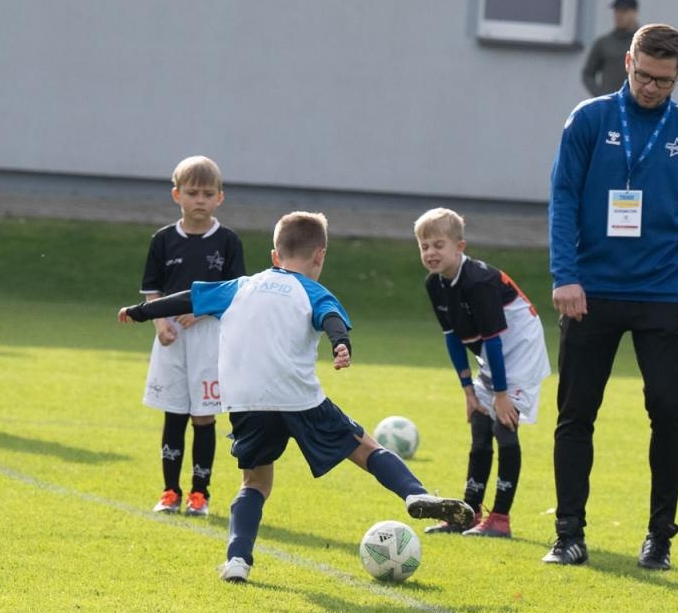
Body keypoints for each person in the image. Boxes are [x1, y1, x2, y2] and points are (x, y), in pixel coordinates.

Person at [117, 212, 473, 582]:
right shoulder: (313, 290)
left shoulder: (240, 286)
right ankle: (414, 494)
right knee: (365, 448)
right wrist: (341, 344)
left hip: (244, 401)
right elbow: (332, 318)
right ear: (320, 256)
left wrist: (140, 311)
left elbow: (186, 298)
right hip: (297, 398)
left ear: (275, 255)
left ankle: (238, 560)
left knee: (254, 483)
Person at [545, 23, 678, 570]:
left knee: (670, 409)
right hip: (590, 291)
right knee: (576, 412)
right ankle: (568, 533)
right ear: (627, 62)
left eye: (663, 80)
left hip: (664, 293)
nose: (650, 87)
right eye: (643, 75)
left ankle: (660, 536)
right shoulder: (590, 119)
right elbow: (563, 198)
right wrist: (564, 275)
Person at [415, 206, 550, 539]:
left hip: (519, 352)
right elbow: (452, 338)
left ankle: (500, 519)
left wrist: (502, 395)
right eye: (424, 246)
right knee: (479, 424)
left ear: (460, 247)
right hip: (497, 354)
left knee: (503, 426)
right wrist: (468, 391)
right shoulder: (436, 285)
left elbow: (492, 339)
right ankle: (468, 512)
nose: (431, 252)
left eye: (438, 244)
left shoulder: (478, 280)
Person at [139, 156, 245, 516]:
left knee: (204, 417)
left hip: (209, 337)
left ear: (220, 198)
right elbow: (151, 289)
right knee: (174, 414)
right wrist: (159, 324)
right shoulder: (163, 240)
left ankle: (200, 494)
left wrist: (201, 311)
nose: (199, 199)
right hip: (170, 335)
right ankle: (170, 492)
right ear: (176, 195)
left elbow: (235, 292)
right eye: (192, 192)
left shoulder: (228, 241)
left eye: (207, 193)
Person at [580, 0, 639, 97]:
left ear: (634, 13)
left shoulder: (645, 42)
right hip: (611, 106)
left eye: (624, 11)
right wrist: (601, 96)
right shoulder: (603, 43)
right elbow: (588, 74)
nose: (619, 15)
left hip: (638, 105)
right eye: (616, 11)